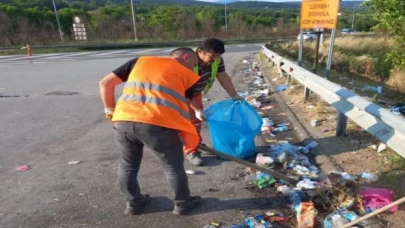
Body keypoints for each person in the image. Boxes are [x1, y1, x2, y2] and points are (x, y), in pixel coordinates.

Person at [98, 47, 203, 216]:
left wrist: (110, 109)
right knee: (172, 166)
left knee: (127, 166)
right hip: (156, 125)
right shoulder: (187, 76)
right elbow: (184, 107)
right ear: (185, 57)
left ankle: (133, 203)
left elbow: (105, 83)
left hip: (123, 120)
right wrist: (185, 133)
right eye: (194, 63)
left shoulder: (140, 61)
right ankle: (183, 204)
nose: (194, 68)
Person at [184, 38, 244, 166]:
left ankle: (196, 143)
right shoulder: (188, 61)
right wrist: (196, 109)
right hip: (180, 94)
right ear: (200, 51)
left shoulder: (216, 60)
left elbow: (222, 76)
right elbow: (183, 91)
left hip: (195, 94)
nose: (215, 60)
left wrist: (234, 95)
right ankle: (191, 151)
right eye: (212, 56)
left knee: (196, 123)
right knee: (187, 123)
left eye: (218, 56)